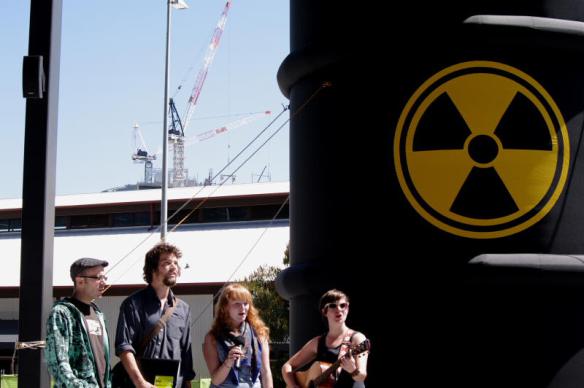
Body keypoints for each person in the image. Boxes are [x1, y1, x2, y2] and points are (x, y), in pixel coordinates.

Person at [115, 242, 196, 388]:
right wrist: (141, 383)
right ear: (152, 268)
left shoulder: (183, 309)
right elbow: (124, 347)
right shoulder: (133, 304)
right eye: (167, 263)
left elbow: (186, 353)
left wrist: (188, 384)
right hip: (138, 385)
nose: (174, 267)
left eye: (176, 263)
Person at [45, 257, 112, 388]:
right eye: (99, 278)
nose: (103, 283)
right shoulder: (62, 313)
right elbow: (58, 364)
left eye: (105, 278)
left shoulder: (98, 314)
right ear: (80, 281)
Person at [281, 289, 369, 388]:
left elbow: (361, 376)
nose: (339, 309)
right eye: (332, 306)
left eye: (342, 305)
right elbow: (287, 366)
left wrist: (353, 370)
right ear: (324, 311)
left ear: (347, 308)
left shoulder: (357, 339)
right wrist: (292, 385)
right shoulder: (318, 342)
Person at [203, 283, 273, 388]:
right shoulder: (212, 337)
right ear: (225, 307)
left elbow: (266, 372)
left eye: (245, 303)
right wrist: (228, 362)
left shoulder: (259, 333)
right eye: (237, 304)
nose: (243, 308)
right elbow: (216, 380)